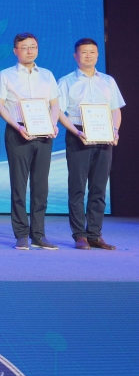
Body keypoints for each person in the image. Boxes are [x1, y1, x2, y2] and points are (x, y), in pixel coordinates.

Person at [0, 32, 61, 251]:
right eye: (24, 47)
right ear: (15, 51)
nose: (30, 51)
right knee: (19, 185)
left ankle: (39, 235)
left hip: (44, 132)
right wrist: (18, 127)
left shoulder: (47, 75)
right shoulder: (6, 75)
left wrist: (53, 124)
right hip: (18, 131)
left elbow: (54, 104)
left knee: (41, 186)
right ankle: (21, 234)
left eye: (33, 46)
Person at [57, 37, 125, 250]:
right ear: (75, 56)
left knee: (99, 187)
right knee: (77, 187)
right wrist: (77, 132)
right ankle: (80, 235)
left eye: (92, 52)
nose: (88, 55)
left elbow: (115, 109)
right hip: (78, 134)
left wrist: (115, 131)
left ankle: (95, 234)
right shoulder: (66, 81)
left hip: (104, 134)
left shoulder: (108, 81)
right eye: (84, 52)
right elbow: (59, 112)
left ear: (97, 55)